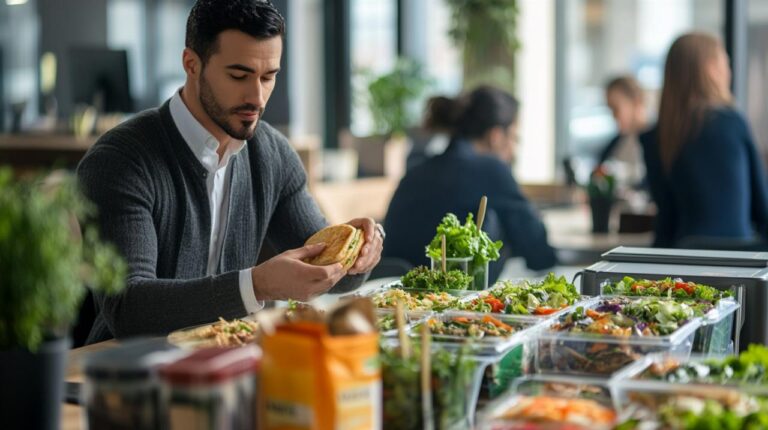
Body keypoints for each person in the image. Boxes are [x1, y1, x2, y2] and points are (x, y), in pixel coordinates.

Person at [77, 0, 383, 342]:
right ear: (191, 64)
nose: (257, 97)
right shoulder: (120, 160)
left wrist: (361, 254)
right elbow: (128, 310)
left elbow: (325, 271)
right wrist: (257, 284)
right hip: (128, 375)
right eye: (239, 75)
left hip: (230, 365)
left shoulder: (273, 154)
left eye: (268, 77)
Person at [383, 86, 557, 281]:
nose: (514, 151)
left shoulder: (416, 170)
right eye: (514, 138)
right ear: (496, 136)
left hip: (394, 294)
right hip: (447, 302)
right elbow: (541, 256)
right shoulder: (492, 169)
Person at [640, 32, 768, 248]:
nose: (729, 71)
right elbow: (762, 209)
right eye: (725, 63)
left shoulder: (655, 136)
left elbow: (666, 221)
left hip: (683, 264)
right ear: (711, 68)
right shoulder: (732, 123)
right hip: (739, 264)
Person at [597, 75, 649, 189]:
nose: (613, 116)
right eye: (610, 109)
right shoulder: (616, 143)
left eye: (616, 108)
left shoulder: (658, 144)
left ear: (636, 102)